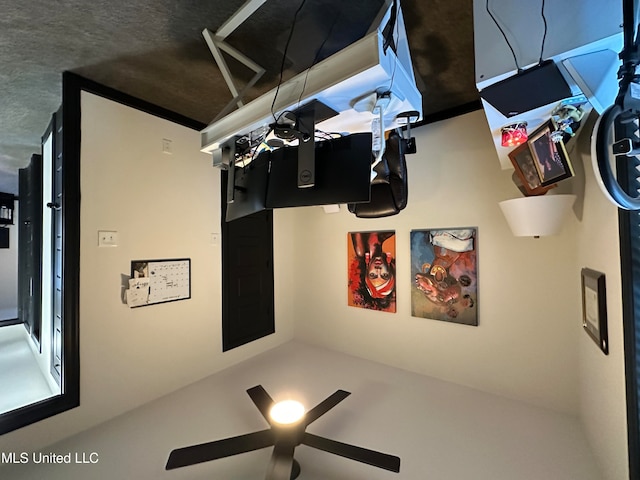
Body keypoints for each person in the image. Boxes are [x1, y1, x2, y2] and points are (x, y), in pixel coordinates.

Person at [348, 231, 396, 311]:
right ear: (390, 270)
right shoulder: (387, 236)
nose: (378, 270)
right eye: (384, 275)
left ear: (366, 272)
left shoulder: (361, 250)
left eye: (373, 275)